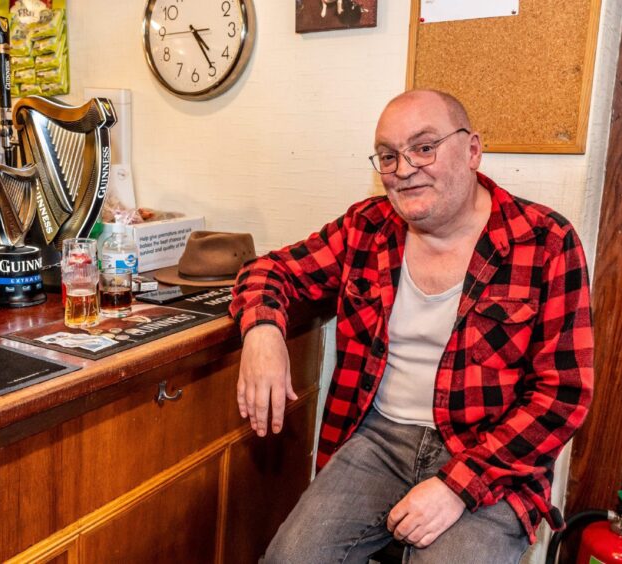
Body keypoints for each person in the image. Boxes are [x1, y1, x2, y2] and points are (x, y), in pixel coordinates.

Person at [228, 89, 594, 563]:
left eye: (424, 147)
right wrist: (262, 333)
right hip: (378, 438)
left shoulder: (545, 240)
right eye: (387, 155)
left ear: (472, 150)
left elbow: (562, 395)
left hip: (490, 453)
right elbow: (268, 270)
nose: (403, 169)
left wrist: (457, 487)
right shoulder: (367, 227)